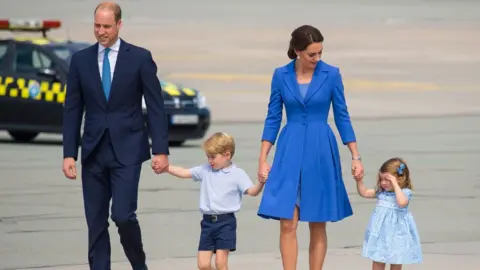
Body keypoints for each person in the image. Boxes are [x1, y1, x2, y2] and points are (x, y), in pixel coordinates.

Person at [61, 2, 169, 270]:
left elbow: (156, 107)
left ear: (119, 25)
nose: (101, 31)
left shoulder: (140, 58)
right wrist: (68, 154)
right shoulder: (80, 60)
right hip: (94, 151)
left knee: (122, 215)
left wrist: (161, 150)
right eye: (97, 25)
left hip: (128, 150)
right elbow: (73, 109)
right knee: (96, 222)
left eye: (106, 26)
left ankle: (138, 265)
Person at [256, 24, 364, 270]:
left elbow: (342, 116)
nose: (317, 58)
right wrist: (263, 158)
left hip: (320, 148)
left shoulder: (332, 74)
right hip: (289, 147)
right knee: (287, 221)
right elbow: (272, 117)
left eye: (320, 53)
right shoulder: (280, 75)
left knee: (317, 220)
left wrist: (355, 155)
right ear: (297, 51)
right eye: (312, 54)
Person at [166, 132, 267, 270]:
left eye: (213, 157)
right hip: (207, 223)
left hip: (226, 223)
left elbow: (252, 191)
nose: (210, 161)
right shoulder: (205, 170)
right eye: (208, 157)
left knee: (220, 263)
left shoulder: (237, 174)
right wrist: (166, 168)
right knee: (203, 264)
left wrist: (261, 183)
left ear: (227, 155)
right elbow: (184, 172)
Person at [355, 157, 422, 270]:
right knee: (378, 260)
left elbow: (401, 203)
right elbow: (365, 192)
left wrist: (395, 185)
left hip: (397, 235)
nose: (383, 183)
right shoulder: (381, 193)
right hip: (381, 233)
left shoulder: (405, 193)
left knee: (396, 262)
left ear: (399, 179)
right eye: (382, 179)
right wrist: (359, 181)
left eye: (387, 180)